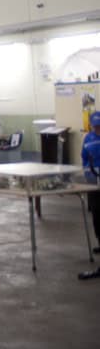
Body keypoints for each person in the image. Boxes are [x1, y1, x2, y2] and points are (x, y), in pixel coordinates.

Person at [78, 111, 100, 280]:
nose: (98, 129)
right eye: (96, 126)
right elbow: (84, 158)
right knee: (96, 217)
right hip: (94, 184)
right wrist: (88, 175)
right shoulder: (88, 139)